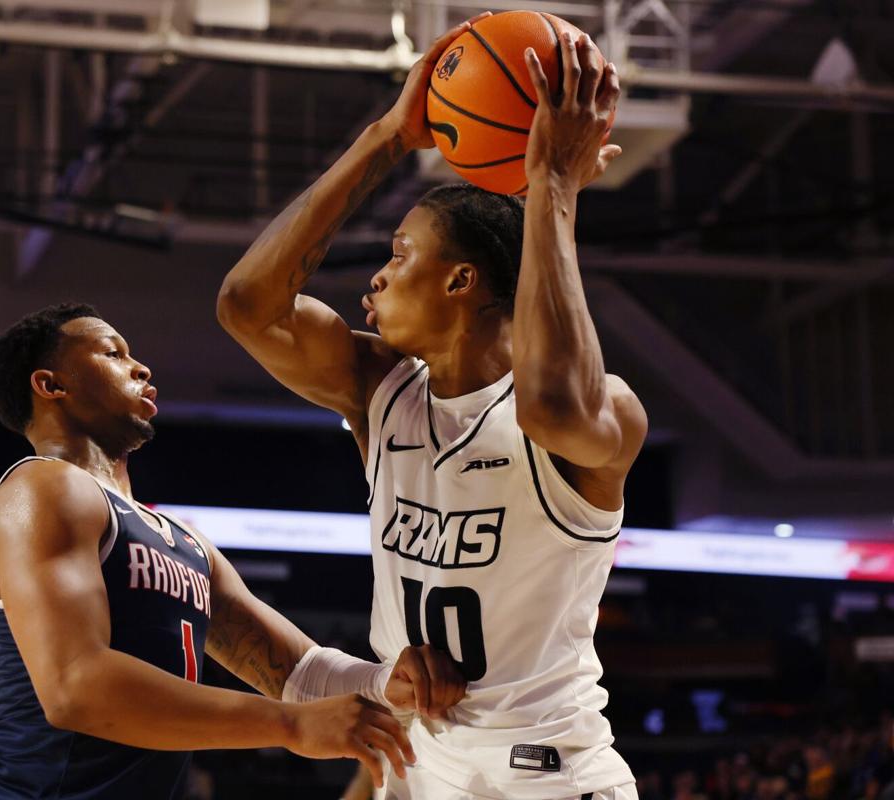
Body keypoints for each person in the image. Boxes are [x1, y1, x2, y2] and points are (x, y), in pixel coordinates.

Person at [217, 14, 646, 800]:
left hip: (551, 777)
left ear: (461, 283)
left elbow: (550, 404)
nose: (373, 280)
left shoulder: (598, 408)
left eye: (400, 255)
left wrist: (551, 181)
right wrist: (388, 135)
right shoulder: (381, 394)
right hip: (424, 767)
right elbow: (250, 307)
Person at [0, 304, 467, 799]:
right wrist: (289, 726)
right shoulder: (42, 486)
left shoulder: (183, 538)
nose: (140, 366)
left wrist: (385, 683)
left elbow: (297, 672)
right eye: (112, 353)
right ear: (50, 385)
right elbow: (75, 687)